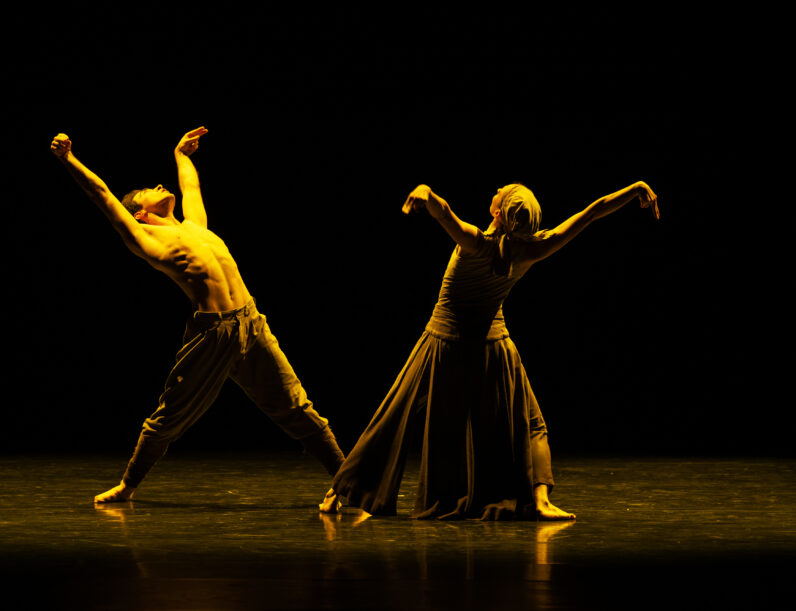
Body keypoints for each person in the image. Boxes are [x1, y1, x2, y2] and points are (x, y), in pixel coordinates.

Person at [319, 181, 659, 520]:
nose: (496, 189)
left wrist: (426, 192)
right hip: (495, 348)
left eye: (502, 191)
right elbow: (591, 212)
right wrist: (635, 189)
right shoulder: (533, 249)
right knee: (531, 423)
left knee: (393, 417)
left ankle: (340, 490)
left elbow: (445, 214)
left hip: (444, 342)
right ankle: (539, 500)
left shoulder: (475, 242)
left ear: (498, 212)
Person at [49, 128, 345, 503]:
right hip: (213, 334)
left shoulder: (195, 226)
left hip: (251, 322)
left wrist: (181, 155)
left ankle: (347, 483)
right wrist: (69, 159)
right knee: (171, 413)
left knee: (296, 406)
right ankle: (128, 485)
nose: (160, 185)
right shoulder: (144, 238)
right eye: (149, 189)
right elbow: (102, 195)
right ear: (140, 212)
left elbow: (190, 187)